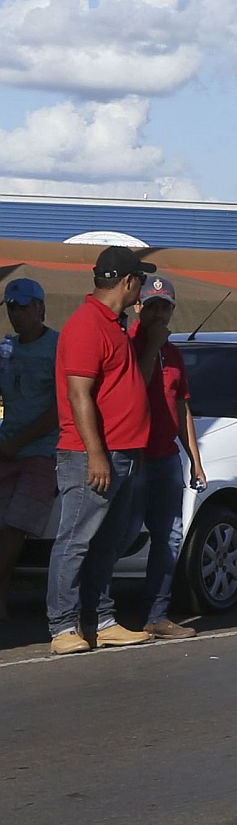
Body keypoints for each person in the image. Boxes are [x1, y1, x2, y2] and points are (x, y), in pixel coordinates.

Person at [47, 246, 164, 654]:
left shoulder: (115, 324)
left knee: (106, 542)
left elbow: (127, 384)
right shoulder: (86, 325)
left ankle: (101, 620)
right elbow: (79, 394)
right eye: (141, 281)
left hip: (126, 452)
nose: (143, 288)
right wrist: (96, 453)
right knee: (76, 540)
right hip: (92, 455)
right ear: (128, 281)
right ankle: (62, 627)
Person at [128, 275, 204, 639]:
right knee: (122, 535)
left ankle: (156, 613)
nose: (159, 313)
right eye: (152, 305)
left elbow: (181, 407)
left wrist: (195, 459)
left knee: (169, 536)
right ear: (138, 307)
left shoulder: (174, 355)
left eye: (165, 306)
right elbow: (132, 390)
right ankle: (92, 611)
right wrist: (150, 346)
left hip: (166, 457)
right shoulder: (129, 345)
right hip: (134, 457)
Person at [0, 279, 60, 623]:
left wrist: (18, 442)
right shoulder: (6, 350)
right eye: (11, 307)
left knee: (16, 525)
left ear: (40, 308)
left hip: (41, 451)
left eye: (23, 307)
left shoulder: (57, 347)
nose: (16, 314)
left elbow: (58, 408)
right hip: (7, 448)